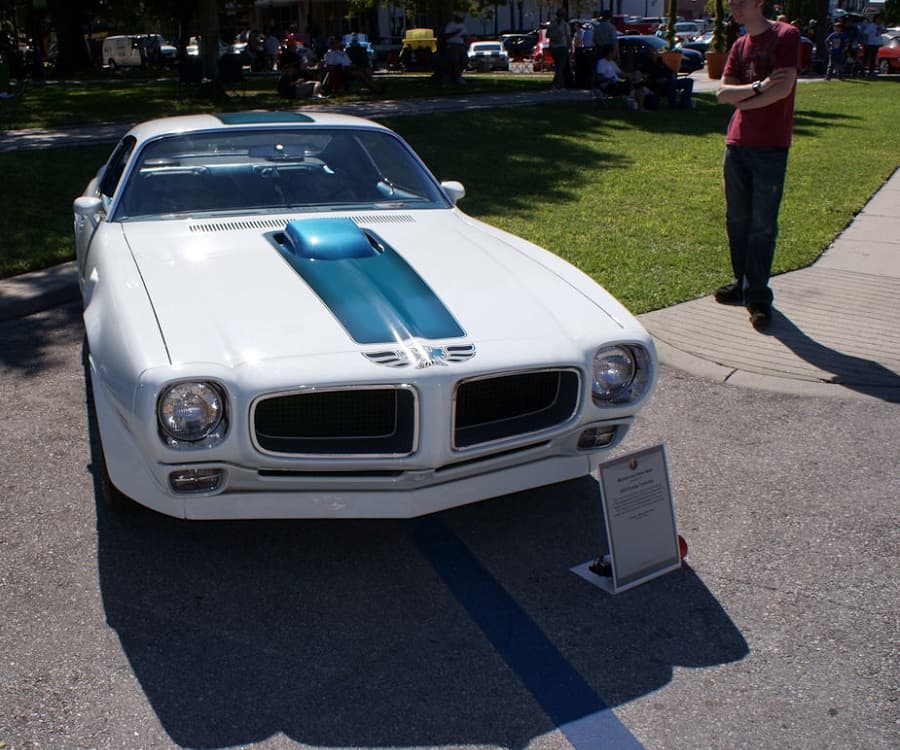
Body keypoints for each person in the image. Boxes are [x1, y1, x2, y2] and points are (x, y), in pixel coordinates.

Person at [715, 0, 800, 331]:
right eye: (732, 2)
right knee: (737, 219)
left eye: (742, 1)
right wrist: (758, 87)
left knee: (763, 224)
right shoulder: (739, 45)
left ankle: (758, 297)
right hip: (736, 144)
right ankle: (743, 284)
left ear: (759, 2)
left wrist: (745, 100)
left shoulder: (785, 36)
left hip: (770, 146)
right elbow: (722, 94)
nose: (735, 6)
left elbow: (783, 89)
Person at [547, 8, 572, 89]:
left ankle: (558, 83)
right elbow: (568, 37)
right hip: (562, 47)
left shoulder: (552, 24)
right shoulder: (565, 25)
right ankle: (558, 85)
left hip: (553, 47)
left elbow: (547, 35)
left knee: (558, 66)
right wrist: (570, 47)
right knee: (561, 67)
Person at [441, 12, 468, 83]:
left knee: (464, 60)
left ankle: (459, 75)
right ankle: (454, 77)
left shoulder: (462, 25)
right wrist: (456, 32)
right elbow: (446, 36)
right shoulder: (450, 25)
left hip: (461, 45)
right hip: (452, 45)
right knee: (454, 61)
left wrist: (465, 41)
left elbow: (465, 36)